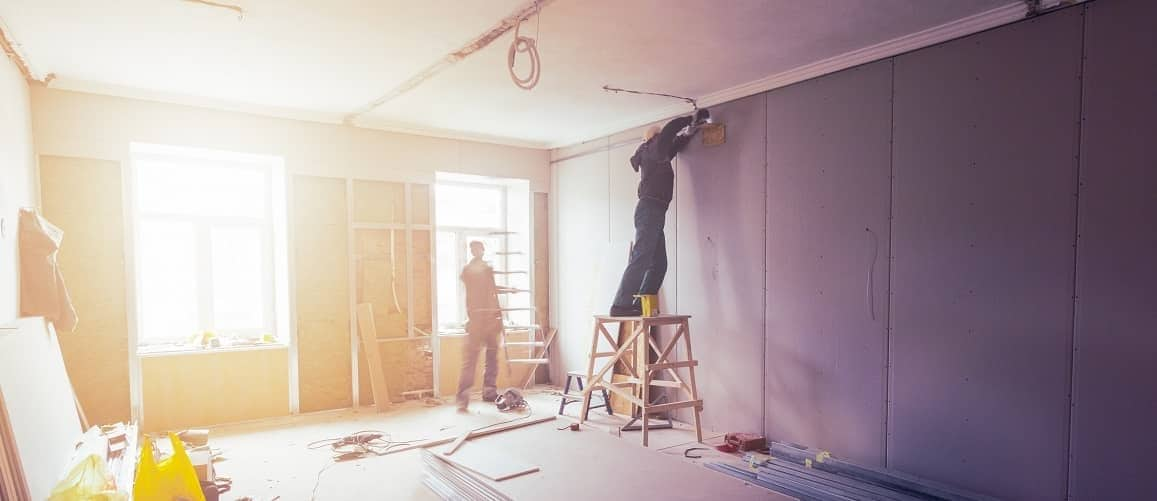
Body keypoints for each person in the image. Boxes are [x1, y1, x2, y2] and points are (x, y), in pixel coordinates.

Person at [610, 108, 710, 316]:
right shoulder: (654, 147)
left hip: (654, 211)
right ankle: (620, 305)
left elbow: (675, 145)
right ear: (655, 139)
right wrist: (691, 118)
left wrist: (691, 132)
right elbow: (670, 131)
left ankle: (637, 304)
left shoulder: (656, 155)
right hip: (649, 210)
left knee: (659, 264)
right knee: (642, 258)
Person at [456, 240, 503, 411]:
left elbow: (492, 289)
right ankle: (463, 398)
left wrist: (507, 289)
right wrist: (487, 271)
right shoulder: (470, 270)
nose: (476, 251)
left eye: (478, 248)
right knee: (471, 360)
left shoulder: (485, 269)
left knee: (492, 358)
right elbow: (473, 280)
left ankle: (489, 392)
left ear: (483, 250)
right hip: (476, 321)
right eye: (473, 249)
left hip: (490, 320)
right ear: (471, 251)